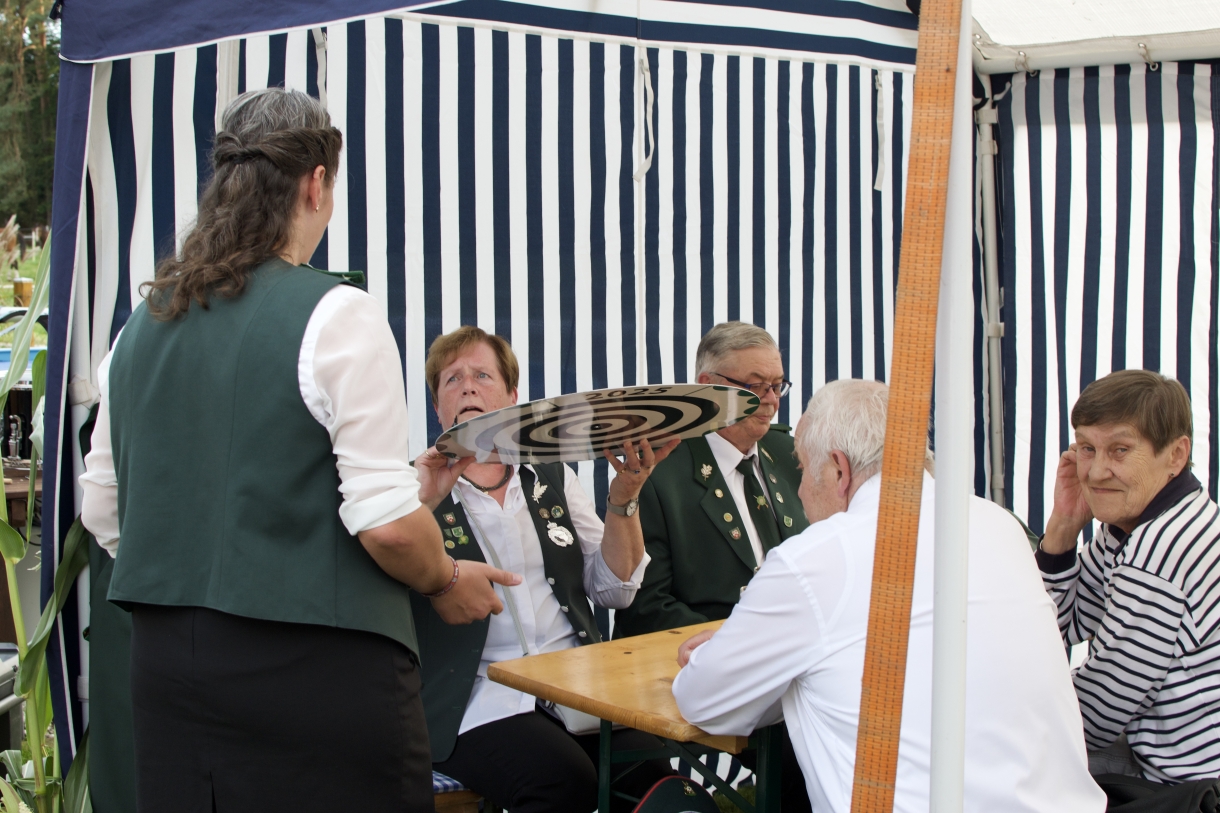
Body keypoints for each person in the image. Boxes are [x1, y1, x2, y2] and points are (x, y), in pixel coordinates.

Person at [78, 88, 514, 812]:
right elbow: (385, 529)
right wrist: (444, 579)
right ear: (316, 183)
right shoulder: (337, 313)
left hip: (171, 679)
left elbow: (104, 510)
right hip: (319, 680)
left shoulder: (137, 330)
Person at [671, 379, 1106, 813]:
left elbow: (703, 699)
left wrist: (735, 650)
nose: (800, 492)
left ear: (839, 470)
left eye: (802, 469)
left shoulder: (814, 559)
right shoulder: (998, 523)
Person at [411, 326, 680, 813]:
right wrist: (421, 502)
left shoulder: (553, 476)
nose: (467, 387)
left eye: (482, 376)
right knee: (561, 781)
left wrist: (625, 497)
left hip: (574, 686)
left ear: (513, 397)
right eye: (452, 380)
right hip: (475, 700)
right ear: (436, 407)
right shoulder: (413, 488)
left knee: (653, 774)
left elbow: (614, 590)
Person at [1038, 369, 1220, 783]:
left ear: (1176, 455)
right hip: (1161, 759)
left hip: (1188, 788)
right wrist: (1063, 526)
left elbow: (1098, 715)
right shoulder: (1140, 520)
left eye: (1119, 450)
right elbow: (1058, 628)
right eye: (1087, 448)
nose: (1096, 472)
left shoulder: (1163, 549)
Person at [614, 321, 809, 638]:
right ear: (708, 386)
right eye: (755, 386)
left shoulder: (792, 454)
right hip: (700, 654)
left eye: (777, 386)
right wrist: (736, 642)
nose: (771, 400)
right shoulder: (656, 471)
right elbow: (646, 608)